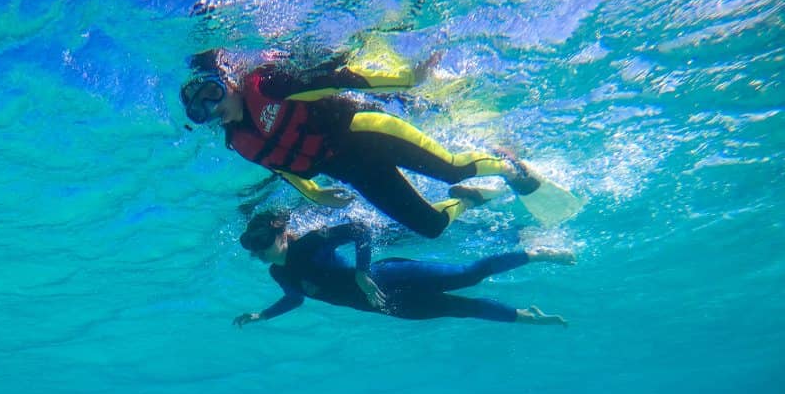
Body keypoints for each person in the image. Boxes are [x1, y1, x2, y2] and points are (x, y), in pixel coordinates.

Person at [181, 48, 558, 239]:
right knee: (430, 227)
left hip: (366, 132)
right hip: (353, 172)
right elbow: (281, 169)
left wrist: (407, 79)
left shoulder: (267, 87)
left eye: (213, 93)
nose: (213, 108)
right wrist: (315, 195)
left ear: (228, 81)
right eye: (201, 110)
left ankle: (510, 168)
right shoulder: (238, 141)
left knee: (452, 167)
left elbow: (336, 80)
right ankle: (470, 198)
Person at [231, 210, 572, 327]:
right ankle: (525, 315)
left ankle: (536, 252)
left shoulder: (308, 243)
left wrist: (363, 272)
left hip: (389, 276)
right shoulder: (279, 274)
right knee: (460, 309)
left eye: (261, 240)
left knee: (468, 275)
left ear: (279, 230)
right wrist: (263, 315)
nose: (258, 250)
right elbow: (295, 299)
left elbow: (360, 229)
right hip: (384, 306)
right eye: (251, 245)